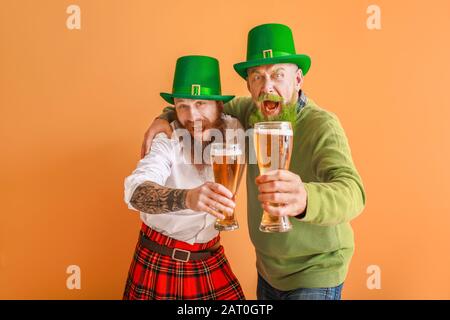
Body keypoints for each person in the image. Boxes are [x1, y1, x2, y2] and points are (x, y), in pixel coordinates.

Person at [142, 23, 366, 300]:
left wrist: (306, 197)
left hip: (316, 270)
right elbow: (203, 108)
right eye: (257, 77)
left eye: (277, 75)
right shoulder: (247, 112)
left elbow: (353, 192)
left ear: (298, 80)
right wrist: (164, 117)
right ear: (248, 84)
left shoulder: (322, 125)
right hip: (268, 269)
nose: (266, 86)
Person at [123, 55, 245, 300]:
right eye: (182, 105)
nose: (192, 116)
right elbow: (135, 192)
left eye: (201, 103)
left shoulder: (236, 130)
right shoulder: (166, 139)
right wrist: (187, 198)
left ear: (220, 106)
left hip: (210, 258)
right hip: (160, 260)